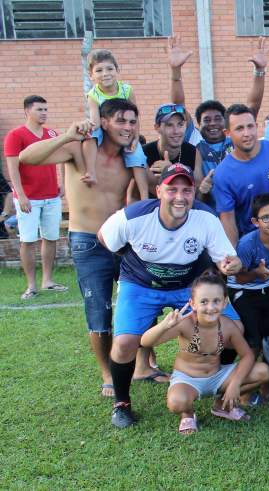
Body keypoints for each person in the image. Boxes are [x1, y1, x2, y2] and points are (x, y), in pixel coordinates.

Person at [19, 99, 154, 398]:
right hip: (87, 240)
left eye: (132, 122)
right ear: (103, 122)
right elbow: (27, 157)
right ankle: (107, 371)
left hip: (122, 241)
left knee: (142, 300)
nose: (128, 128)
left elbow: (152, 184)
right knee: (99, 310)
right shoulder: (79, 149)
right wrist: (67, 135)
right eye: (121, 121)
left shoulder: (131, 158)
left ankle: (143, 365)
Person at [97, 163, 243, 428]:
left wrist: (231, 265)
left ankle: (213, 383)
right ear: (158, 191)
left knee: (236, 330)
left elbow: (228, 259)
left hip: (188, 287)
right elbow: (104, 237)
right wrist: (132, 260)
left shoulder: (205, 217)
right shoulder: (134, 217)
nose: (179, 196)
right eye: (172, 189)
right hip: (140, 284)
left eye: (186, 190)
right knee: (125, 343)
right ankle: (122, 403)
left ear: (193, 193)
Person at [141, 271, 269, 434]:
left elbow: (247, 355)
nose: (210, 307)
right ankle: (187, 414)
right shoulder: (185, 324)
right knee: (176, 402)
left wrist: (235, 384)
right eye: (204, 301)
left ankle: (221, 405)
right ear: (193, 303)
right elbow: (145, 342)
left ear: (224, 303)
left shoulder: (228, 325)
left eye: (216, 301)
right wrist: (164, 326)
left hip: (218, 376)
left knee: (263, 371)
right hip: (188, 380)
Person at [166, 34, 269, 208]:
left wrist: (259, 71)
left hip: (244, 204)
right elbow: (178, 106)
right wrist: (176, 72)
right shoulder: (195, 140)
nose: (213, 123)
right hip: (211, 208)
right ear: (198, 125)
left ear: (227, 124)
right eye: (207, 120)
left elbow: (253, 105)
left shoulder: (234, 139)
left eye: (218, 119)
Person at [227, 193, 269, 404]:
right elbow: (239, 276)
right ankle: (246, 392)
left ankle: (266, 388)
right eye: (266, 217)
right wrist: (257, 273)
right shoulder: (247, 244)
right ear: (255, 222)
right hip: (242, 289)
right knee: (254, 341)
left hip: (267, 288)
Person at [3, 95, 67, 299]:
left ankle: (47, 281)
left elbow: (65, 158)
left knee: (50, 238)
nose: (44, 113)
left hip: (51, 196)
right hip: (28, 198)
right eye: (39, 109)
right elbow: (12, 168)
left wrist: (63, 184)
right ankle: (31, 286)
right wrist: (20, 195)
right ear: (27, 111)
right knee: (28, 240)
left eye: (46, 109)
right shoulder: (15, 135)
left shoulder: (52, 133)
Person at [214, 104, 269, 246]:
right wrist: (236, 258)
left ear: (257, 126)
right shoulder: (223, 173)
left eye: (250, 126)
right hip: (257, 248)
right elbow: (228, 219)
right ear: (227, 133)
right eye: (239, 128)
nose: (247, 133)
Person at [79, 49, 150, 201]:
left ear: (117, 70)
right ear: (91, 76)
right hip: (104, 128)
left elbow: (135, 116)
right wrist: (90, 127)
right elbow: (95, 119)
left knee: (137, 155)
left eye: (109, 68)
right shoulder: (93, 95)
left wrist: (136, 137)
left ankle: (144, 195)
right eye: (99, 70)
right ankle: (91, 171)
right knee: (90, 136)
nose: (105, 73)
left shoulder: (126, 90)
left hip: (125, 130)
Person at [144, 104, 203, 194]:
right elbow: (153, 190)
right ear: (157, 128)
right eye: (169, 125)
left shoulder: (193, 152)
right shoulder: (144, 153)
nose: (176, 131)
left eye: (180, 125)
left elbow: (197, 190)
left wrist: (171, 169)